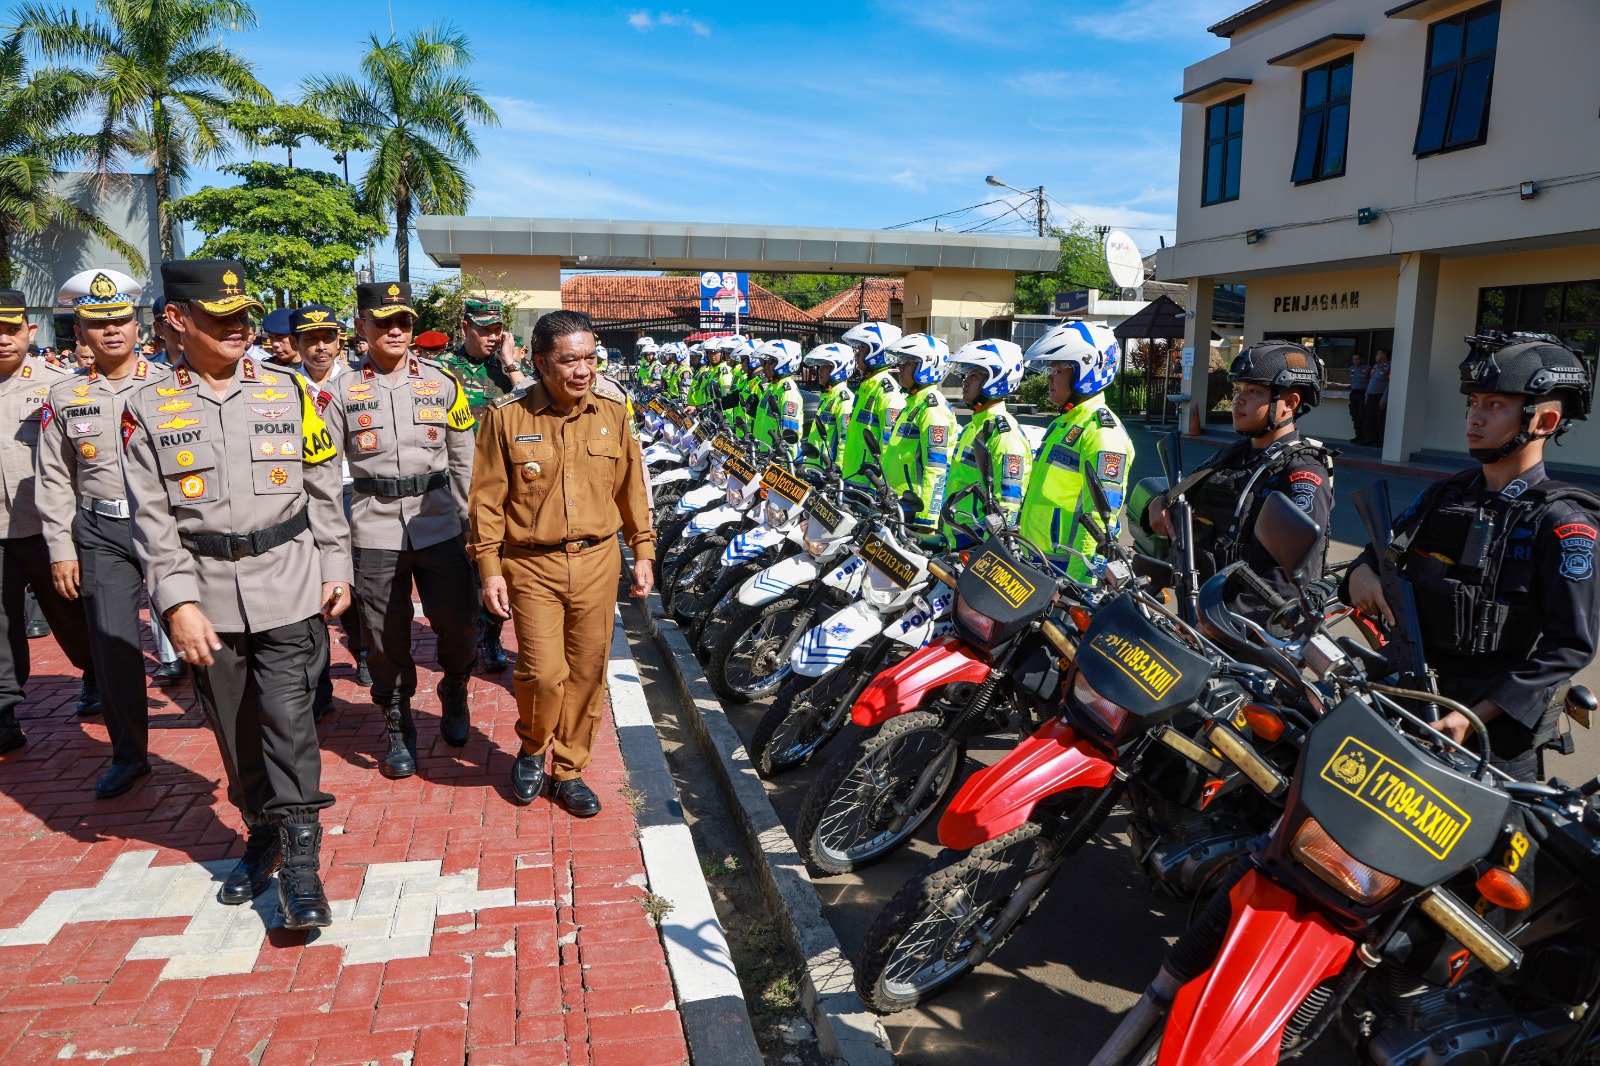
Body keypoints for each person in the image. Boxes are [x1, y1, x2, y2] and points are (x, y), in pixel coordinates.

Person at [123, 259, 351, 928]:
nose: (239, 329)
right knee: (234, 731)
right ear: (177, 320)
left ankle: (303, 872)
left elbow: (321, 484)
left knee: (288, 721)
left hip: (288, 579)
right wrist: (175, 603)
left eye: (244, 317)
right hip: (207, 595)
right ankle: (263, 834)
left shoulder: (288, 390)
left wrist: (335, 562)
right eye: (221, 319)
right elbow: (152, 520)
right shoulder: (147, 407)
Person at [1345, 334, 1600, 782]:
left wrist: (1474, 716)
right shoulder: (1446, 495)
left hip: (1491, 735)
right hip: (1410, 697)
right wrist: (1362, 574)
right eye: (1474, 402)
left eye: (1496, 405)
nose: (1475, 417)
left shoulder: (1563, 523)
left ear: (1545, 421)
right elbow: (1376, 554)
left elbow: (1569, 645)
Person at [468, 310, 655, 815]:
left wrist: (643, 549)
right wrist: (489, 569)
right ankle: (532, 745)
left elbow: (632, 487)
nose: (583, 370)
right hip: (531, 566)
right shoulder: (506, 416)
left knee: (588, 672)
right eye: (569, 359)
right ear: (540, 362)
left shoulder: (614, 411)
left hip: (597, 562)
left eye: (591, 357)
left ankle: (569, 769)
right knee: (543, 673)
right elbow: (485, 502)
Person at [321, 281, 479, 779]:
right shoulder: (338, 392)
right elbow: (323, 479)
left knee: (458, 624)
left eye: (404, 322)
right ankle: (398, 722)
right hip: (373, 529)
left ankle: (454, 687)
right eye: (383, 321)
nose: (395, 330)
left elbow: (465, 460)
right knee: (385, 640)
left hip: (439, 523)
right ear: (361, 327)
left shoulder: (442, 381)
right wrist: (333, 551)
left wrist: (475, 527)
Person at [37, 270, 171, 797]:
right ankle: (128, 754)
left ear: (137, 325)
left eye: (120, 319)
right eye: (98, 323)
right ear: (80, 332)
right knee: (114, 644)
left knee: (205, 630)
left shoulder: (169, 385)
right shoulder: (64, 395)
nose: (112, 330)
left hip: (169, 529)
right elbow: (53, 478)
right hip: (100, 527)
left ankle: (229, 729)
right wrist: (60, 547)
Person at [1149, 340, 1335, 612]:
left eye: (1254, 391)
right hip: (1202, 610)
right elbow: (1183, 498)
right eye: (1238, 389)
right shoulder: (1233, 456)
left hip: (1251, 630)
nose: (1238, 399)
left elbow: (1287, 583)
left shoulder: (1301, 471)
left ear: (1289, 403)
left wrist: (1218, 622)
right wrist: (1159, 503)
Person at [0, 289, 99, 756]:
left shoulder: (59, 387)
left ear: (29, 331)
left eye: (10, 329)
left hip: (46, 528)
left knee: (70, 613)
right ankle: (3, 710)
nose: (3, 339)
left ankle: (95, 673)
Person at [436, 297, 529, 675]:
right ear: (465, 328)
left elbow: (537, 404)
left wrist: (511, 362)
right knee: (459, 570)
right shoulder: (441, 369)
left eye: (497, 329)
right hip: (453, 486)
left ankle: (491, 637)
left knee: (497, 566)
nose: (492, 336)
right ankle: (462, 634)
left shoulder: (508, 367)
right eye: (484, 329)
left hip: (502, 488)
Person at [289, 303, 371, 707]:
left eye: (327, 339)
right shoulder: (284, 385)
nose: (320, 348)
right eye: (309, 340)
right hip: (305, 498)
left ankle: (364, 650)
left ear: (340, 341)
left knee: (353, 576)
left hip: (355, 492)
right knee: (311, 585)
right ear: (296, 344)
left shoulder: (360, 382)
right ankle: (318, 680)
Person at [1017, 321, 1135, 581]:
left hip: (1065, 569)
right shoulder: (1065, 422)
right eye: (1050, 368)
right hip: (1037, 557)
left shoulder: (1102, 432)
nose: (1048, 377)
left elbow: (1101, 521)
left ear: (1087, 370)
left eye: (1058, 368)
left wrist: (1078, 583)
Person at [945, 339, 1032, 545]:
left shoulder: (1004, 434)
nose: (965, 381)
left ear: (996, 379)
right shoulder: (973, 426)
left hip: (977, 541)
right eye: (966, 375)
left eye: (974, 375)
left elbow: (1008, 503)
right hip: (958, 534)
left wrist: (992, 548)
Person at [881, 334, 958, 544]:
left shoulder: (933, 410)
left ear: (927, 366)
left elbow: (937, 468)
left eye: (908, 363)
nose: (901, 368)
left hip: (916, 511)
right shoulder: (912, 404)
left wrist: (928, 521)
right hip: (898, 504)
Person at [838, 321, 905, 483]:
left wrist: (880, 486)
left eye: (862, 349)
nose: (856, 355)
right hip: (852, 477)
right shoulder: (866, 388)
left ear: (877, 350)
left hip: (869, 485)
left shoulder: (886, 392)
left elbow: (888, 448)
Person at [802, 342, 855, 468]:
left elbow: (845, 440)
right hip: (815, 468)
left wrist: (838, 469)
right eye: (820, 365)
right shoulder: (828, 396)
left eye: (826, 366)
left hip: (829, 472)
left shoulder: (844, 400)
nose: (820, 370)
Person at [752, 339, 805, 457]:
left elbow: (790, 431)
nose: (765, 366)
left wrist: (785, 457)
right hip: (764, 452)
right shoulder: (772, 387)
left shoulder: (787, 391)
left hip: (777, 457)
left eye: (770, 362)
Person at [1365, 348, 1391, 448]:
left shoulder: (1388, 367)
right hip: (1371, 396)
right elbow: (1371, 381)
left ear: (1384, 356)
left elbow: (1390, 384)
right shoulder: (1375, 367)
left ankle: (1380, 441)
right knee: (1369, 419)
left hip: (1380, 396)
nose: (1376, 356)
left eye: (1378, 354)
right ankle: (1370, 439)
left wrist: (1384, 399)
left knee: (1380, 420)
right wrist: (1367, 394)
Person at [1347, 351, 1369, 444]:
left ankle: (1365, 438)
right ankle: (1358, 437)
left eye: (1357, 359)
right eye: (1354, 359)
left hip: (1363, 393)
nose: (1355, 361)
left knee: (1362, 416)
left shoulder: (1368, 369)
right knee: (1355, 416)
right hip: (1354, 393)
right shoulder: (1351, 369)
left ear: (1362, 360)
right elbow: (1351, 381)